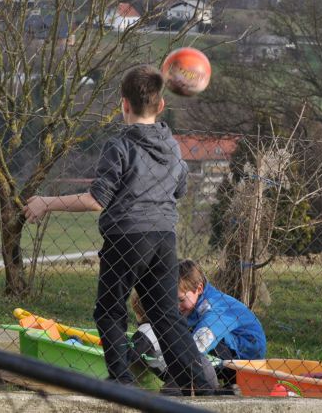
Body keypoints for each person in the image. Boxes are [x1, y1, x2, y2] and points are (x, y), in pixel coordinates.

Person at [24, 65, 215, 395]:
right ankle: (194, 380)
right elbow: (181, 189)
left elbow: (97, 200)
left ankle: (121, 382)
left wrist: (45, 202)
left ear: (123, 104)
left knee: (110, 310)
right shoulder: (171, 146)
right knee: (164, 314)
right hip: (164, 239)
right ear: (161, 106)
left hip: (126, 238)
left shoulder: (120, 146)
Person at [130, 259, 266, 391]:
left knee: (190, 349)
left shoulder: (215, 308)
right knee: (163, 333)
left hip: (244, 361)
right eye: (171, 300)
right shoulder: (193, 303)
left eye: (180, 299)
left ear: (199, 288)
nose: (176, 306)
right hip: (220, 354)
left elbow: (201, 342)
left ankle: (181, 389)